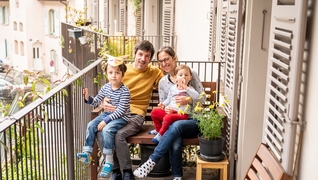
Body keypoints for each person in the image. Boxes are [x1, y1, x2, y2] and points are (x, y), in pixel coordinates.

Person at [133, 46, 205, 180]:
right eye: (161, 61)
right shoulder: (163, 82)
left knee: (176, 127)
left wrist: (188, 100)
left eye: (166, 59)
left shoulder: (189, 73)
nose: (164, 63)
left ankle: (152, 160)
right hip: (173, 121)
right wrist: (165, 108)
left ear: (175, 58)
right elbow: (163, 105)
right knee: (175, 138)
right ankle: (177, 176)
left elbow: (203, 98)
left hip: (193, 120)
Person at [97, 40, 163, 180]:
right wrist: (103, 102)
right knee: (100, 131)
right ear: (135, 54)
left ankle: (127, 171)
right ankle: (116, 171)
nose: (143, 59)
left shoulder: (154, 72)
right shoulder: (122, 70)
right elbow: (108, 90)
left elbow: (167, 84)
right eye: (140, 54)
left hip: (136, 115)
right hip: (116, 113)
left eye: (147, 56)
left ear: (150, 59)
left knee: (119, 135)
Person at [76, 58, 130, 178]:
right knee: (91, 125)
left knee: (107, 130)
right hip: (107, 115)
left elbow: (121, 111)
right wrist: (87, 97)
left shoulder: (125, 91)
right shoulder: (106, 87)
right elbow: (96, 102)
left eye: (117, 73)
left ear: (122, 74)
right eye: (110, 72)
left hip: (121, 117)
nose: (114, 76)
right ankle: (86, 153)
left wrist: (106, 121)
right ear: (106, 74)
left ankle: (109, 160)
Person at [150, 64, 200, 144]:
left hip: (182, 114)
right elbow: (169, 99)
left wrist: (186, 88)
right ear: (176, 78)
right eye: (180, 75)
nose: (183, 77)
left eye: (186, 75)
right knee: (154, 112)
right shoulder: (173, 88)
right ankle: (158, 130)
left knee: (167, 118)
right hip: (171, 112)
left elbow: (197, 96)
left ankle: (161, 135)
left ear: (190, 77)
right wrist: (163, 104)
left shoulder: (190, 89)